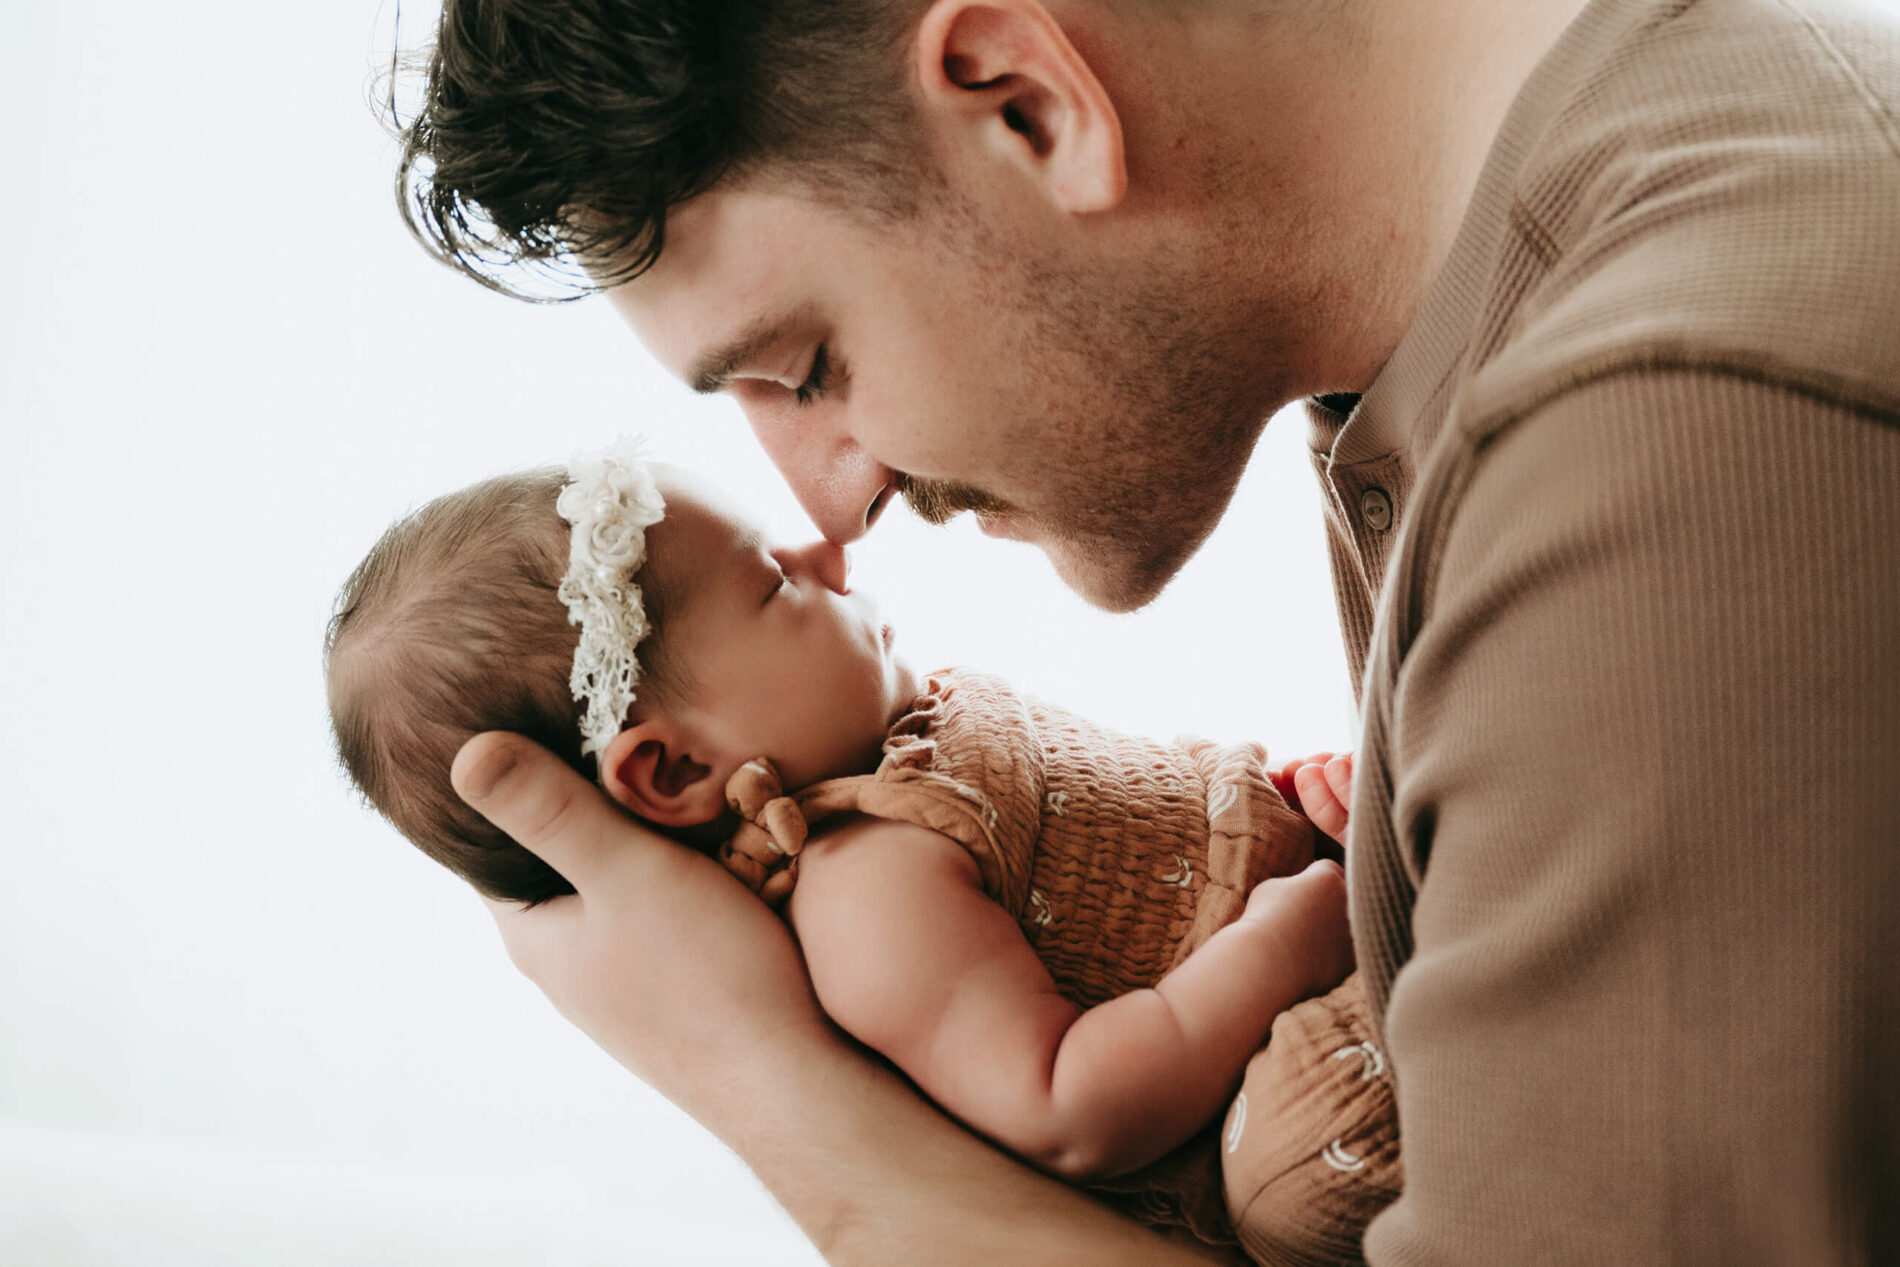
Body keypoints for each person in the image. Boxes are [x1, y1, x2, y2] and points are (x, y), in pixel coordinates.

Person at [390, 0, 1900, 1260]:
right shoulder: (1517, 327)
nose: (833, 505)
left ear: (1027, 106)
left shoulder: (1671, 438)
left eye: (807, 363)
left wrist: (769, 1085)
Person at [323, 445, 1392, 1259]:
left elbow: (1144, 855)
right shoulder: (863, 888)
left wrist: (1290, 800)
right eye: (771, 585)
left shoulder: (922, 738)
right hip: (1290, 1076)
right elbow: (1072, 1106)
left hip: (1306, 926)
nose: (824, 550)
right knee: (1294, 1173)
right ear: (675, 772)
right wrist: (1280, 938)